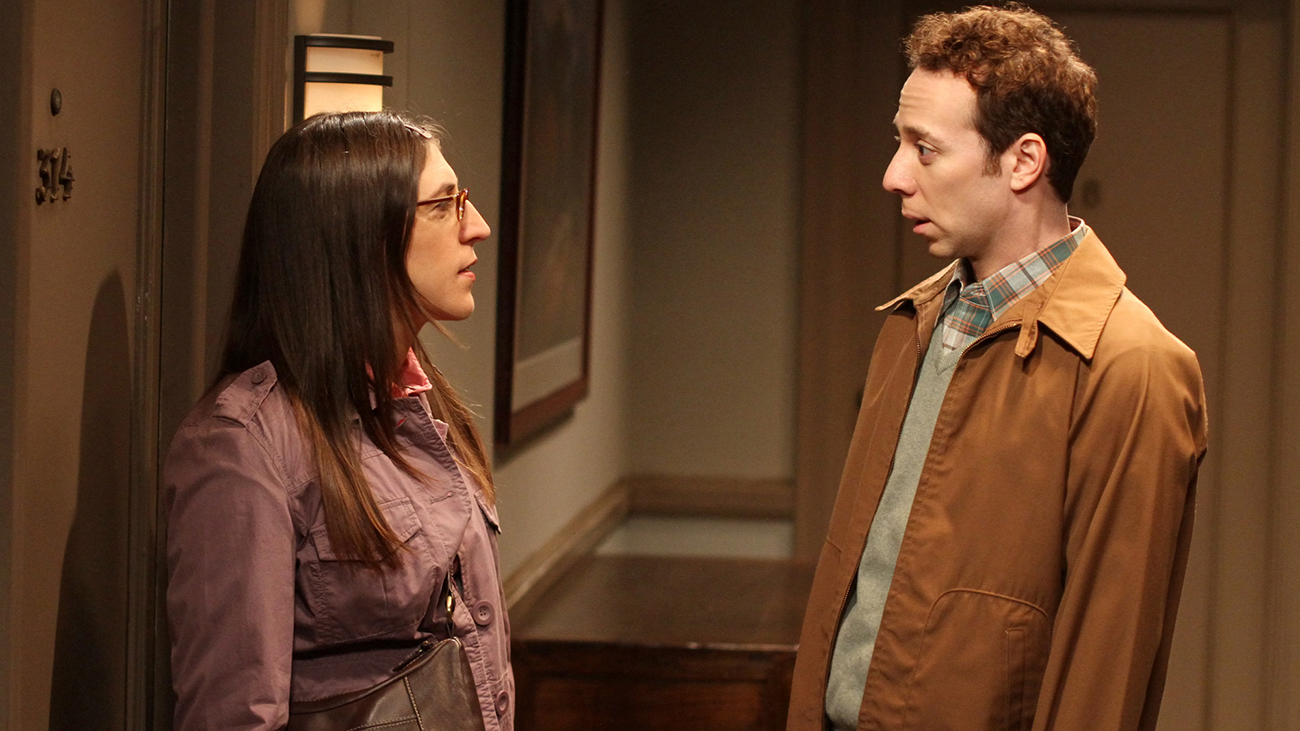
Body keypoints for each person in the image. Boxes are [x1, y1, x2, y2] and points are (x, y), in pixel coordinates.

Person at [787, 6, 1208, 731]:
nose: (893, 176)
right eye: (899, 143)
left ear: (1023, 161)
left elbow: (1105, 669)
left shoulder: (1132, 366)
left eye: (925, 149)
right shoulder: (913, 323)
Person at [164, 111, 513, 731]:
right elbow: (234, 714)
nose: (478, 226)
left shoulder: (424, 403)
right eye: (444, 206)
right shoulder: (244, 443)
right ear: (359, 235)